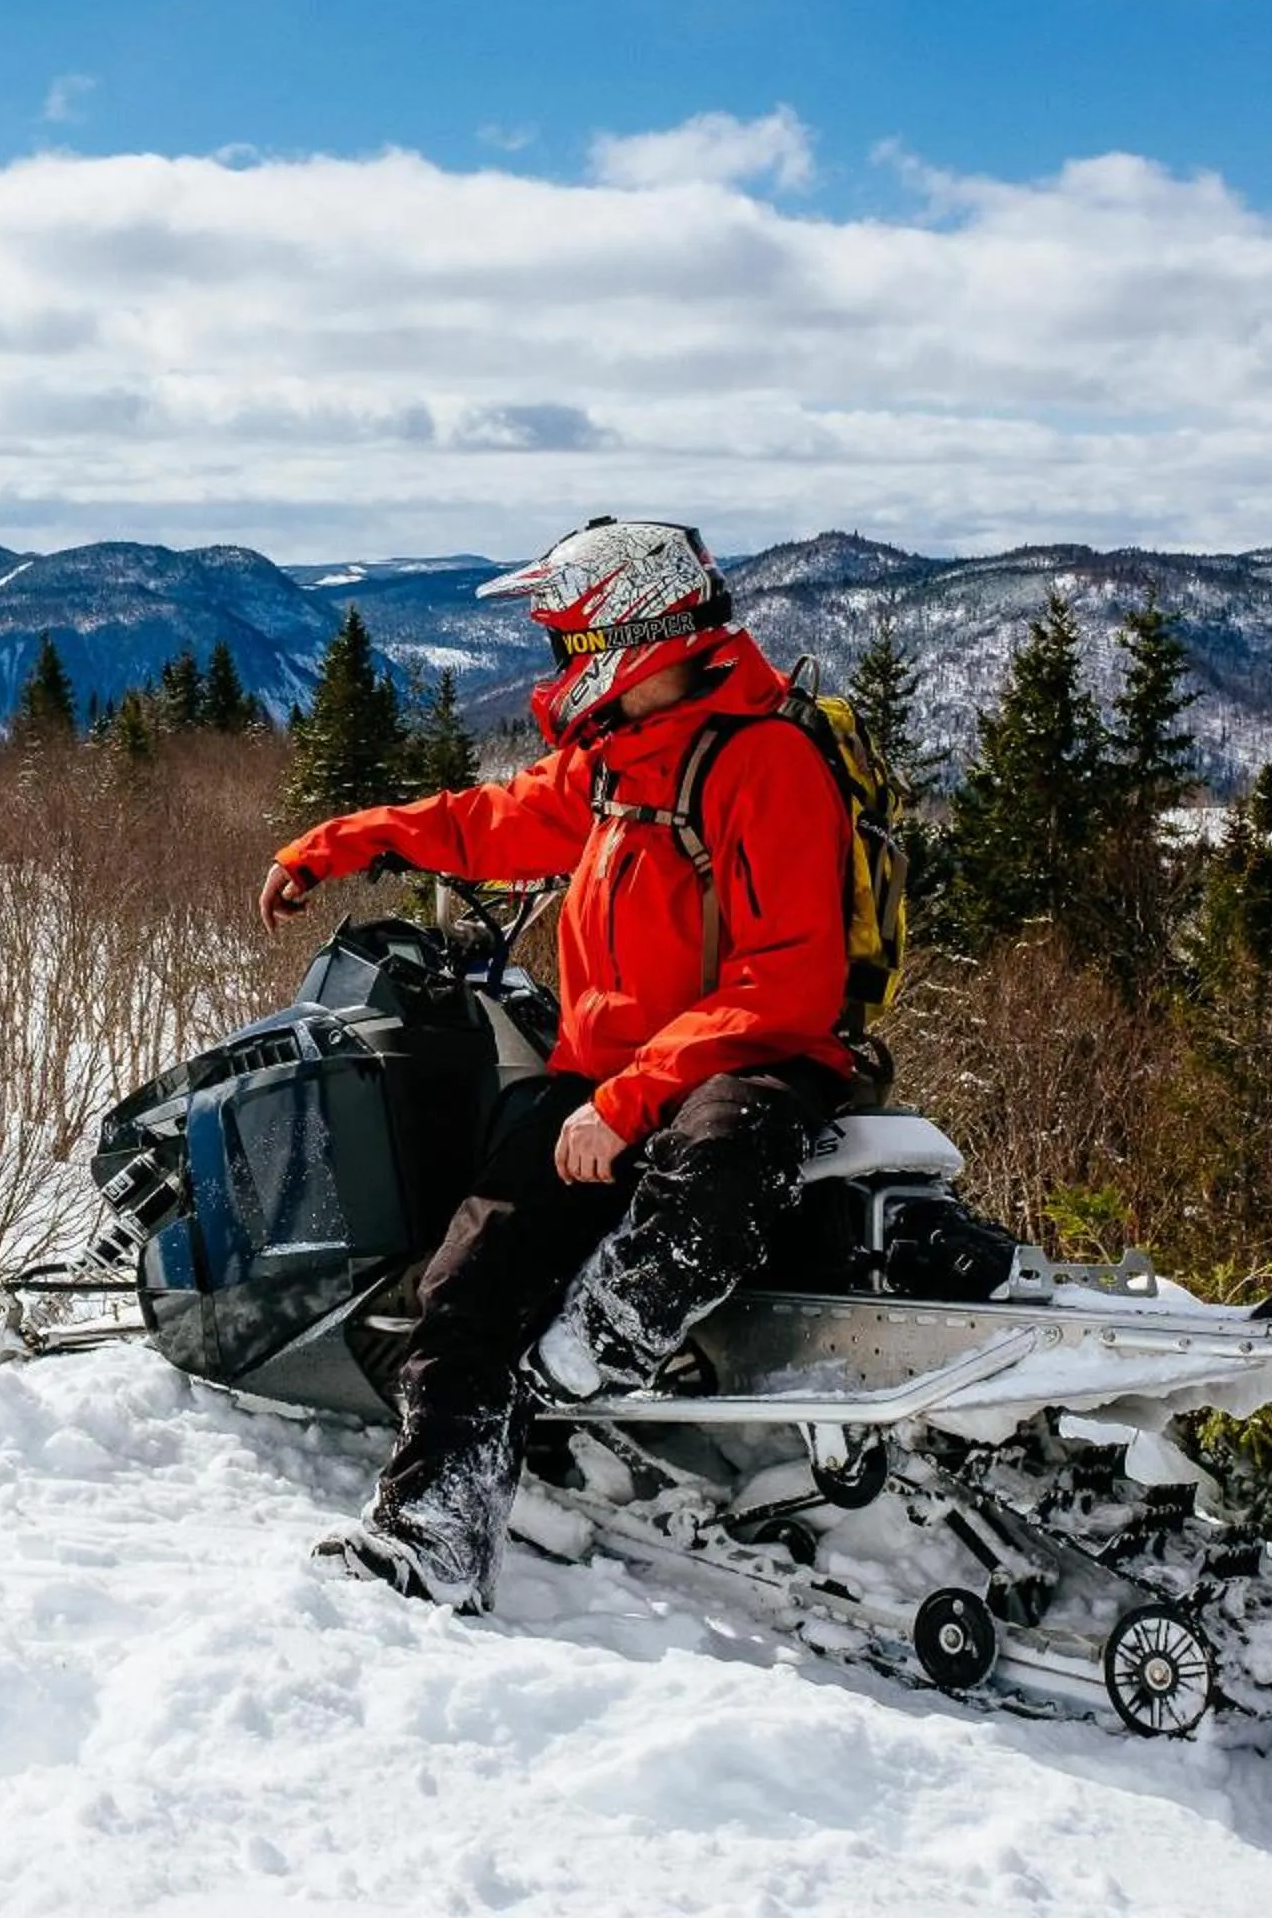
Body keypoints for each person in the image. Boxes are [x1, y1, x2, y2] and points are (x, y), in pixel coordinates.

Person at [259, 516, 858, 1614]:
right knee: (470, 1264)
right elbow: (485, 822)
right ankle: (434, 1529)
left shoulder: (761, 760)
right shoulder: (614, 767)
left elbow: (790, 980)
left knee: (726, 1142)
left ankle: (611, 1330)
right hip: (611, 1075)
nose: (557, 666)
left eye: (566, 642)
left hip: (751, 1056)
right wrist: (339, 841)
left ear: (625, 636)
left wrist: (628, 1103)